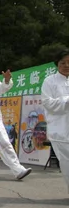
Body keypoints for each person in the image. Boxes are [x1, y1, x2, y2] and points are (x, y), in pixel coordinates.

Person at [41, 50, 69, 192]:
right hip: (60, 131)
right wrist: (66, 101)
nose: (66, 65)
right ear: (57, 64)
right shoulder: (49, 81)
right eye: (63, 62)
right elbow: (48, 103)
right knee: (67, 164)